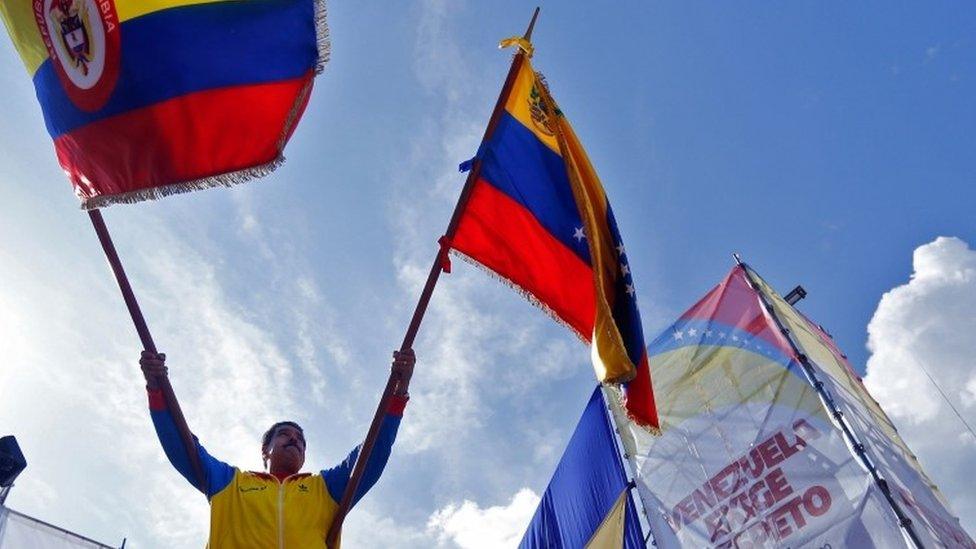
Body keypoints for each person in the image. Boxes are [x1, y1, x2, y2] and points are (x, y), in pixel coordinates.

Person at [140, 349, 414, 548]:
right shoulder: (231, 483)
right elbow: (184, 446)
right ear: (265, 451)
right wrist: (157, 389)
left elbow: (370, 454)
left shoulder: (324, 489)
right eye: (284, 435)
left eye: (301, 440)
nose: (294, 440)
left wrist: (398, 394)